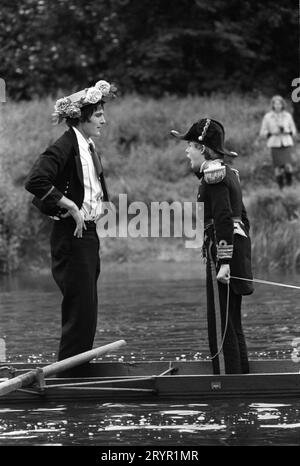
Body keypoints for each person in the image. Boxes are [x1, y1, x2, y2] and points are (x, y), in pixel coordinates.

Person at [25, 79, 117, 363]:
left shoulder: (88, 145)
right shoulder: (65, 145)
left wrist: (102, 203)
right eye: (99, 114)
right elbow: (35, 181)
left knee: (88, 308)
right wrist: (70, 207)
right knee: (80, 309)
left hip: (87, 234)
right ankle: (67, 376)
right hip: (70, 234)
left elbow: (91, 185)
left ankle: (78, 368)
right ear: (83, 116)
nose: (104, 119)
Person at [171, 118, 254, 374]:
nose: (186, 150)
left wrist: (225, 261)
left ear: (203, 148)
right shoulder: (228, 172)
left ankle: (228, 381)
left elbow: (224, 218)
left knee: (220, 323)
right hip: (229, 251)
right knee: (231, 322)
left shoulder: (214, 175)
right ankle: (240, 376)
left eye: (190, 145)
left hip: (221, 254)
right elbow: (244, 221)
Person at [259, 95, 297, 189]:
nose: (277, 106)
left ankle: (289, 185)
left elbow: (294, 131)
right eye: (275, 104)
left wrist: (287, 131)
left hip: (286, 142)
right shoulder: (268, 117)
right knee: (278, 168)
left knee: (288, 166)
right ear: (272, 105)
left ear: (282, 104)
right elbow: (262, 133)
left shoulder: (287, 116)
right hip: (275, 144)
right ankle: (281, 188)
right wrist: (272, 133)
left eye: (279, 103)